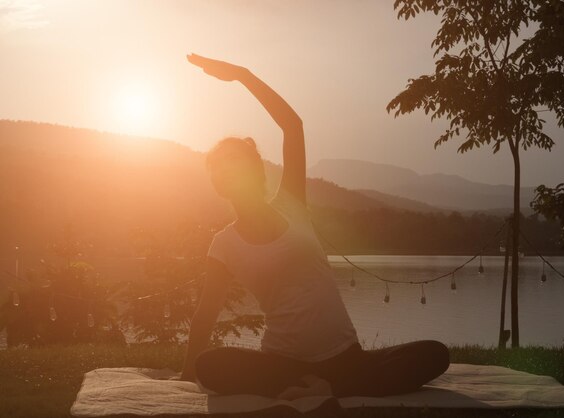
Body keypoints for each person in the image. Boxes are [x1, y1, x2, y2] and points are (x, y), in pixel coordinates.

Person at [179, 53, 450, 400]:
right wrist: (188, 373)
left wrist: (244, 75)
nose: (233, 172)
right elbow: (205, 313)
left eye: (239, 164)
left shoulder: (291, 202)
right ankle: (310, 386)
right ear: (219, 182)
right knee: (210, 366)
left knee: (434, 354)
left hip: (345, 359)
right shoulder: (224, 244)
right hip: (281, 361)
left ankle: (321, 386)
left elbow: (292, 125)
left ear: (257, 169)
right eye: (224, 169)